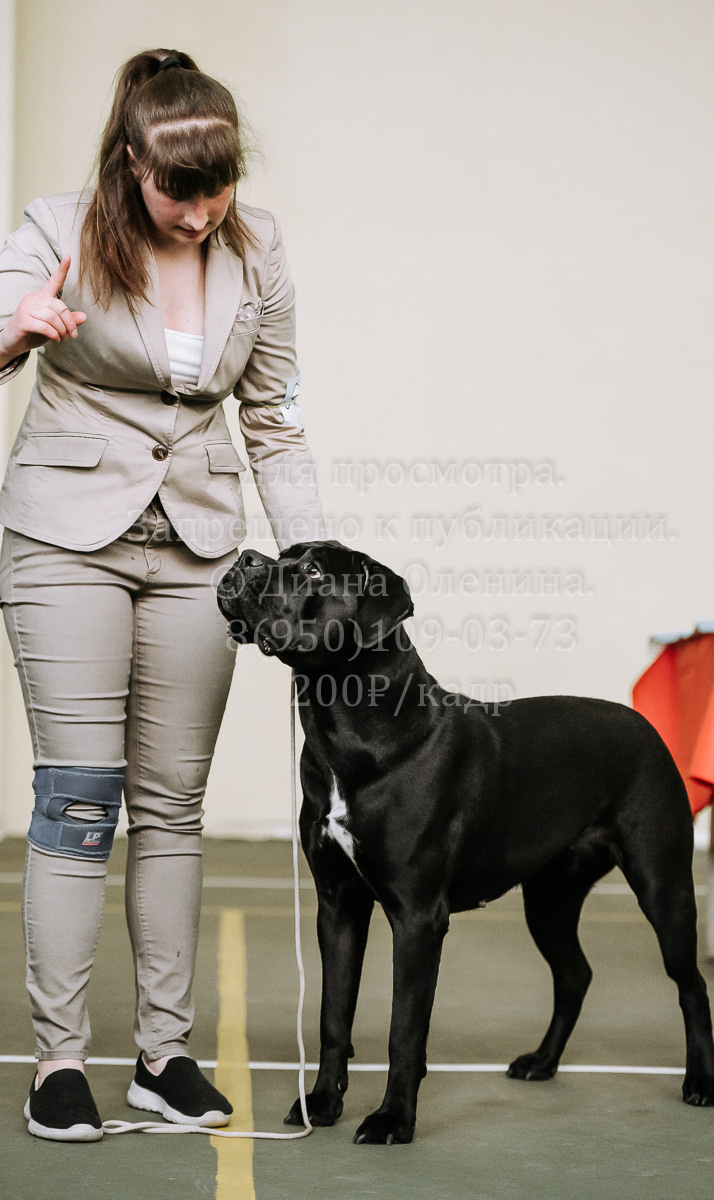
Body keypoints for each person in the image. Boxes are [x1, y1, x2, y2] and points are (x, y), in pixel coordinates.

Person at [0, 48, 325, 1142]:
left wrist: (313, 563)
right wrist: (18, 330)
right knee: (79, 798)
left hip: (198, 546)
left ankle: (162, 1057)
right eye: (179, 190)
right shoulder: (57, 228)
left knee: (172, 806)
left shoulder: (259, 245)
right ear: (131, 165)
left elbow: (272, 417)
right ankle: (57, 1064)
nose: (200, 210)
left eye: (218, 185)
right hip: (66, 543)